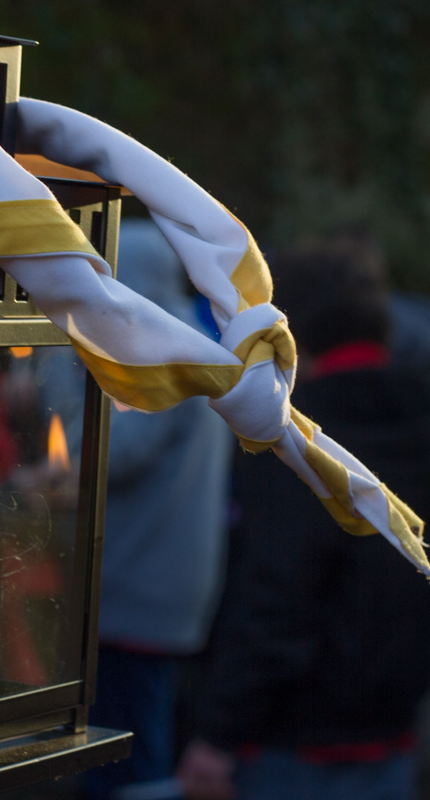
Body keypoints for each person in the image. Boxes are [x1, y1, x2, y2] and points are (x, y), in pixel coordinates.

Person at [177, 238, 430, 800]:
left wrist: (217, 732)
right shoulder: (419, 419)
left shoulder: (298, 445)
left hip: (290, 748)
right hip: (394, 732)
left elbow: (275, 598)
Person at [83, 218, 234, 800]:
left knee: (125, 755)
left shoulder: (158, 361)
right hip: (164, 587)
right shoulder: (190, 346)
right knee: (138, 738)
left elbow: (109, 457)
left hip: (137, 592)